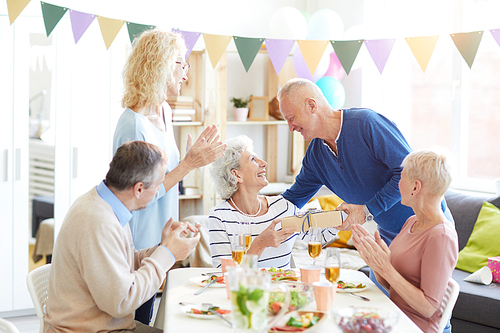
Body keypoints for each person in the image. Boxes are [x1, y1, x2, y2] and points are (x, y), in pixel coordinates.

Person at [113, 29, 225, 323]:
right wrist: (188, 163)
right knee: (136, 320)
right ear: (161, 65)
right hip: (137, 244)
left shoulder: (164, 111)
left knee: (152, 317)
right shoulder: (132, 125)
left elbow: (166, 177)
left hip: (161, 237)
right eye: (181, 64)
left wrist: (190, 162)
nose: (185, 74)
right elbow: (136, 195)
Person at [44, 141, 201, 333]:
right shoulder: (98, 221)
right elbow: (122, 302)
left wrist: (163, 246)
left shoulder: (107, 205)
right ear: (139, 189)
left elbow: (121, 264)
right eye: (159, 184)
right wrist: (167, 254)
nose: (159, 191)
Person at [277, 78, 452, 245]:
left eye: (291, 118)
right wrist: (256, 208)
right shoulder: (315, 156)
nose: (291, 128)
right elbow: (293, 199)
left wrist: (366, 211)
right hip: (388, 235)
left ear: (311, 105)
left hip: (428, 228)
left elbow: (409, 173)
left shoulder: (366, 124)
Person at [351, 148, 458, 333]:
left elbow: (428, 308)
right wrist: (375, 262)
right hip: (393, 318)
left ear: (416, 187)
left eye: (401, 178)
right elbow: (393, 286)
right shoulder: (411, 222)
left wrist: (386, 268)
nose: (397, 184)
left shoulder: (441, 235)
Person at [208, 135, 337, 269]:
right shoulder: (220, 216)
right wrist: (260, 243)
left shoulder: (283, 206)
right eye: (253, 159)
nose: (264, 163)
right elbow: (222, 273)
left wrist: (340, 220)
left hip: (284, 288)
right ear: (236, 174)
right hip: (246, 289)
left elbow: (317, 237)